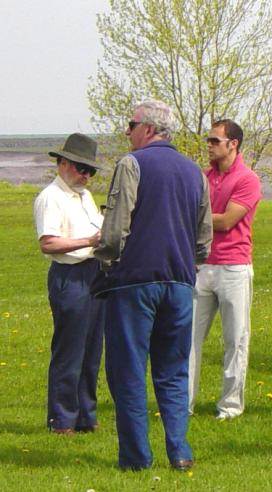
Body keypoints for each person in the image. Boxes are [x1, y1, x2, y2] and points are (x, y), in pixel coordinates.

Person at [93, 100, 212, 471]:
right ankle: (179, 451)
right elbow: (204, 237)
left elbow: (115, 230)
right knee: (173, 370)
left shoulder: (132, 164)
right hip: (179, 282)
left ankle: (136, 458)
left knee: (128, 371)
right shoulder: (196, 173)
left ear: (147, 128)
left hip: (135, 281)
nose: (126, 132)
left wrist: (107, 262)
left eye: (129, 125)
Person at [188, 119, 261, 420]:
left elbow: (228, 220)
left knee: (235, 339)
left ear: (233, 144)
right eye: (209, 140)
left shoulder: (247, 179)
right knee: (187, 338)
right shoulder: (202, 178)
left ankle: (230, 407)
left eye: (215, 141)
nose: (209, 145)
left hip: (234, 267)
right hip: (201, 264)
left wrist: (195, 218)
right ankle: (183, 404)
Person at [33, 133, 105, 435]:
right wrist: (88, 241)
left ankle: (86, 416)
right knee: (69, 350)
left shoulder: (85, 196)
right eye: (79, 168)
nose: (85, 175)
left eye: (90, 170)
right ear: (62, 163)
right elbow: (48, 243)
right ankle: (62, 419)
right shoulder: (51, 197)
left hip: (95, 273)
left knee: (92, 349)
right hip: (70, 276)